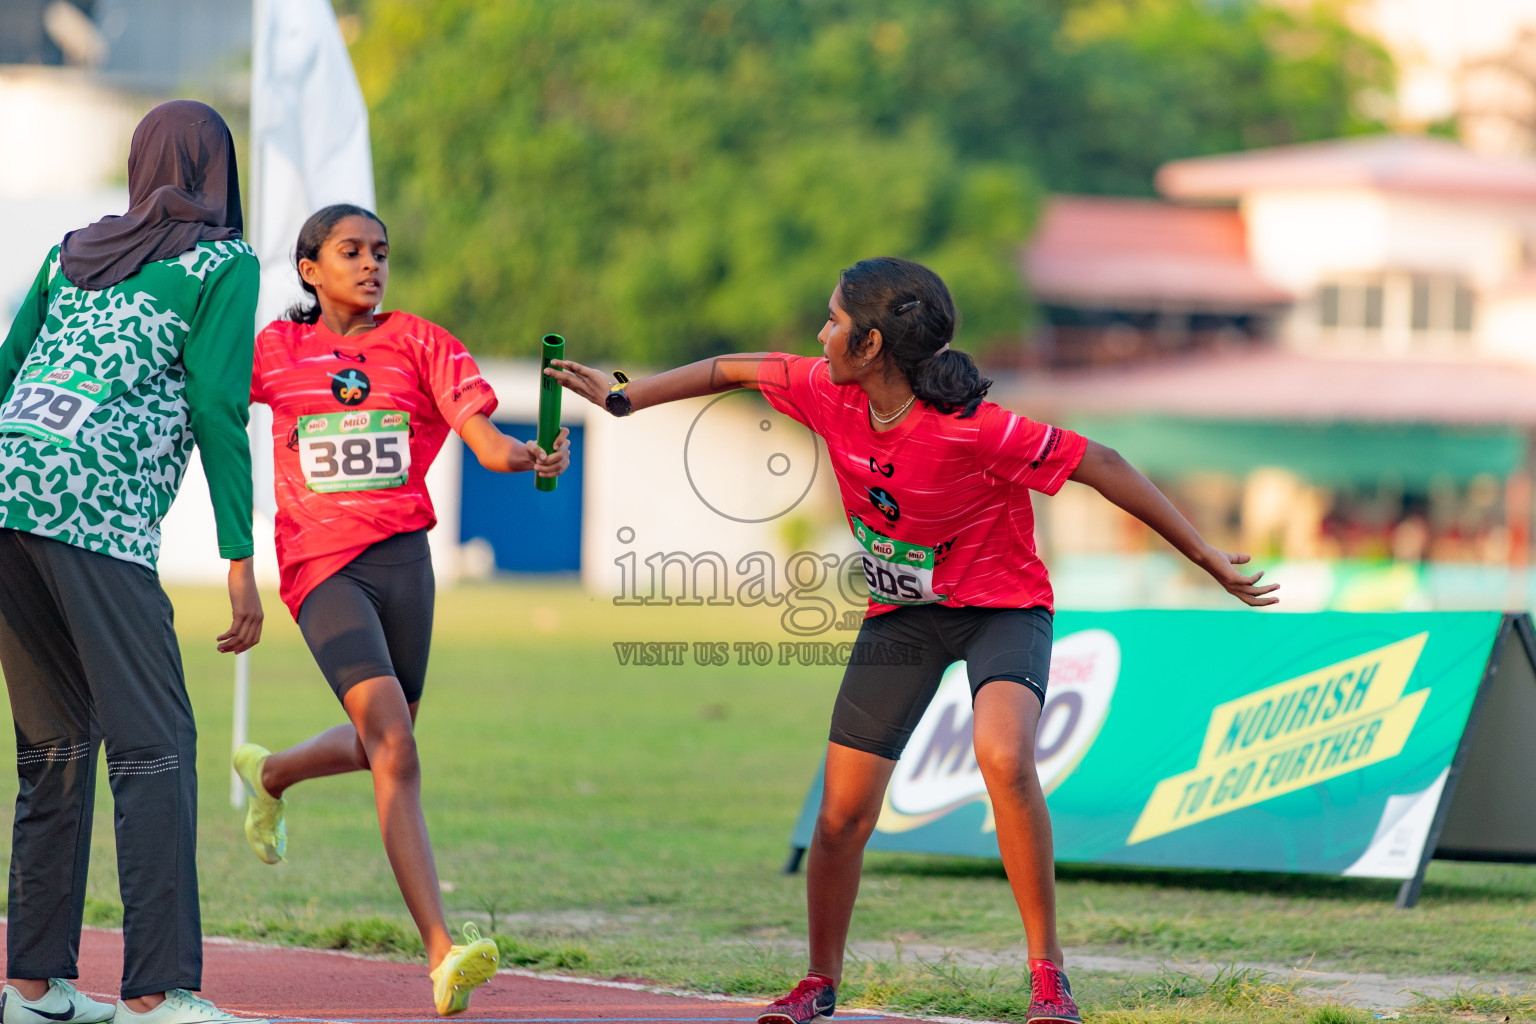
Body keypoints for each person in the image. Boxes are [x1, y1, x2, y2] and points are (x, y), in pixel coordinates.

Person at [547, 257, 1279, 1024]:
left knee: (1003, 755)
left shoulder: (976, 430)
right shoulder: (822, 389)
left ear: (870, 347)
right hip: (903, 616)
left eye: (832, 321)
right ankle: (819, 982)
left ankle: (1047, 973)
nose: (819, 333)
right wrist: (627, 398)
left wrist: (1203, 555)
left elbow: (1100, 461)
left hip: (1001, 608)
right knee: (838, 816)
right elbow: (729, 367)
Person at [234, 203, 570, 1016]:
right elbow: (206, 413)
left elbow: (486, 442)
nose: (371, 264)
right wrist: (239, 566)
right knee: (396, 747)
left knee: (387, 740)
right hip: (321, 567)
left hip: (403, 562)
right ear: (310, 269)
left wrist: (525, 454)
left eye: (380, 252)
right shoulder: (276, 350)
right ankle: (444, 952)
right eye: (351, 251)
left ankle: (271, 772)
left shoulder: (422, 340)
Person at [0, 101, 265, 1024]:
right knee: (156, 750)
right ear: (217, 172)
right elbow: (220, 411)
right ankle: (157, 994)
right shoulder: (225, 263)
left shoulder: (69, 249)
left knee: (57, 747)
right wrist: (241, 556)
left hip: (5, 489)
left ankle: (31, 987)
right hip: (93, 509)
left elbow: (5, 368)